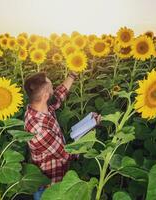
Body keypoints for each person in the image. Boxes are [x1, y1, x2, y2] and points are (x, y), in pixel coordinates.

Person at [23, 71, 101, 200]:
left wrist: (72, 75)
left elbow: (58, 96)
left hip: (58, 175)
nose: (54, 88)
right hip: (49, 186)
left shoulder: (38, 107)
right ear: (45, 95)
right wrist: (91, 126)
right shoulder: (39, 129)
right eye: (51, 86)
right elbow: (67, 155)